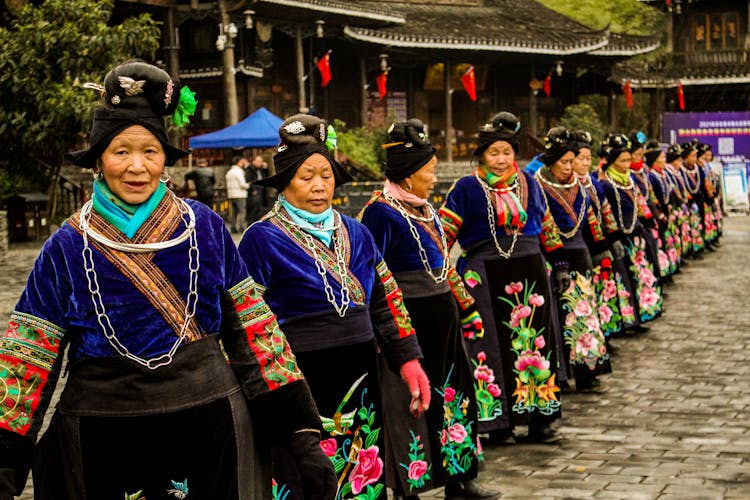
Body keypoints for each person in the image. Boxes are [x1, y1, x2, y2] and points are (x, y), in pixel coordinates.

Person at [0, 61, 335, 499]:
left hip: (210, 432)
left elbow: (255, 334)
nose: (136, 166)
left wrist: (300, 432)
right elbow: (27, 358)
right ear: (99, 159)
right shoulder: (65, 246)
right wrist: (6, 461)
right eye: (121, 151)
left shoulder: (206, 229)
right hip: (102, 437)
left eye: (150, 151)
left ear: (165, 159)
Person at [238, 114, 431, 500]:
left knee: (361, 472)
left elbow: (386, 300)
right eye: (306, 176)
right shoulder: (261, 239)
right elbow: (246, 324)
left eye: (325, 175)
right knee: (306, 480)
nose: (318, 186)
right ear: (285, 181)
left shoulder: (357, 232)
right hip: (299, 383)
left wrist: (408, 360)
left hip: (361, 374)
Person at [359, 119, 498, 500]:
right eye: (429, 171)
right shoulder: (379, 214)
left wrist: (466, 307)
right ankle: (410, 488)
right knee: (408, 404)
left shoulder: (427, 210)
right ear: (407, 175)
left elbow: (443, 264)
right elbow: (371, 276)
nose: (434, 178)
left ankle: (459, 478)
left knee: (453, 394)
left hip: (444, 322)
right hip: (409, 325)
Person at [439, 112, 568, 445]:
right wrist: (442, 276)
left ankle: (539, 418)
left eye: (506, 153)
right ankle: (497, 423)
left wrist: (561, 264)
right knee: (487, 348)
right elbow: (441, 237)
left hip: (530, 274)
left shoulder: (529, 183)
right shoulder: (465, 188)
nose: (500, 160)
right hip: (482, 275)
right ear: (481, 155)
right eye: (493, 153)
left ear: (515, 154)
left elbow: (547, 226)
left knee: (534, 343)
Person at [534, 127, 610, 390]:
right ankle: (562, 376)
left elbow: (590, 221)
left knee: (582, 316)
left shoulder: (581, 187)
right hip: (551, 260)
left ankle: (587, 371)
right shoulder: (538, 186)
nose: (569, 168)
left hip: (581, 257)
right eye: (563, 162)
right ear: (551, 162)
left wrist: (601, 250)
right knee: (556, 319)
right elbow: (539, 226)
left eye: (571, 161)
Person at [572, 131, 637, 337]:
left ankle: (609, 329)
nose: (585, 163)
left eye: (588, 158)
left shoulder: (594, 184)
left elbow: (606, 211)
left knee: (603, 289)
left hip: (600, 244)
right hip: (582, 245)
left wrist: (614, 236)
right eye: (580, 158)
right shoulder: (568, 186)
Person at [598, 133, 664, 330]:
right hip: (619, 237)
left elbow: (640, 203)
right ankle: (627, 320)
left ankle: (643, 312)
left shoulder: (630, 180)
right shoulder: (604, 184)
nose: (628, 163)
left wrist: (650, 219)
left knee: (639, 276)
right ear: (611, 161)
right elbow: (605, 212)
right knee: (622, 280)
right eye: (623, 160)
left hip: (635, 234)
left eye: (629, 159)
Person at [225, 154, 250, 233]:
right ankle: (241, 228)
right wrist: (248, 185)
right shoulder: (238, 172)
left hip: (231, 195)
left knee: (234, 213)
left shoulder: (229, 172)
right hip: (240, 194)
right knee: (242, 212)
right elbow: (243, 184)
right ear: (238, 162)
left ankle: (233, 228)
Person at [245, 154, 269, 225]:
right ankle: (250, 226)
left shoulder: (260, 170)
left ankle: (256, 226)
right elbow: (248, 180)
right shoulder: (250, 169)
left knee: (259, 211)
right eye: (258, 161)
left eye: (261, 162)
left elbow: (265, 178)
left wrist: (265, 169)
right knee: (253, 211)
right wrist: (253, 189)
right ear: (254, 161)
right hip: (254, 192)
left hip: (261, 192)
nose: (260, 163)